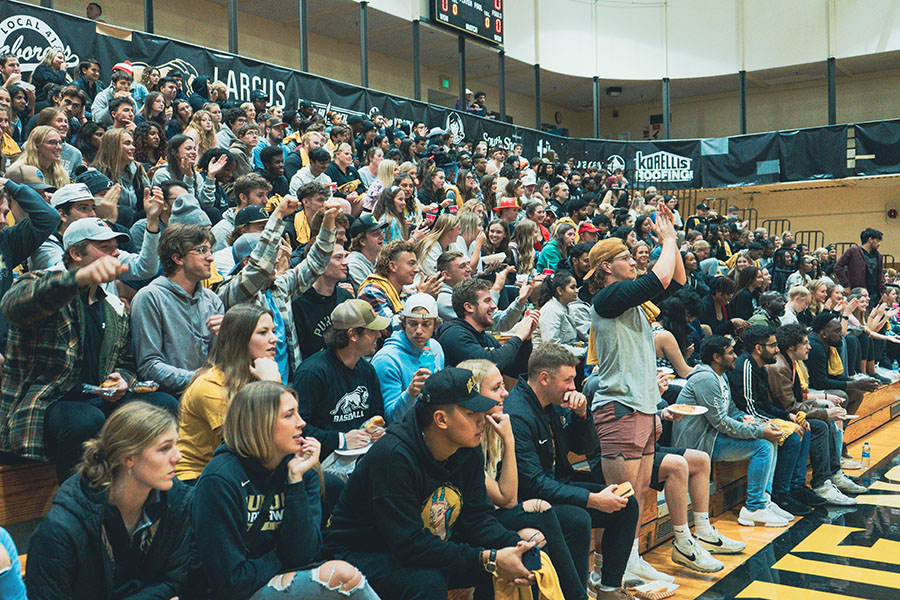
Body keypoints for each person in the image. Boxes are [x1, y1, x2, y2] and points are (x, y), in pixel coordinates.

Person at [326, 367, 540, 600]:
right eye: (471, 413)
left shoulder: (467, 449)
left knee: (523, 561)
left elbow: (478, 519)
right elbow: (410, 545)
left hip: (420, 545)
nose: (482, 419)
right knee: (428, 581)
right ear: (440, 419)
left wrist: (518, 547)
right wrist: (488, 558)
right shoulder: (393, 456)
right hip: (362, 552)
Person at [1, 217, 178, 482]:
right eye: (104, 247)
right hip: (45, 404)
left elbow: (126, 362)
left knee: (163, 404)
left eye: (115, 247)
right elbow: (15, 304)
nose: (115, 253)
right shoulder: (48, 286)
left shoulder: (112, 307)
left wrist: (122, 381)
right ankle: (80, 509)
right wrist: (78, 278)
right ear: (75, 254)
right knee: (86, 420)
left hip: (96, 400)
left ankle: (145, 495)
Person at [192, 381, 380, 600]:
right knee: (340, 576)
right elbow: (230, 582)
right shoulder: (220, 479)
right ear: (260, 423)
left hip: (278, 575)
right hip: (235, 593)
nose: (301, 423)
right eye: (289, 415)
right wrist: (284, 557)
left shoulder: (301, 470)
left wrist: (294, 481)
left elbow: (303, 553)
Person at [582, 201, 684, 583]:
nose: (634, 261)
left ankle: (629, 559)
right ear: (607, 266)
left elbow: (677, 281)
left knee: (638, 496)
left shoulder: (633, 302)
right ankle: (601, 569)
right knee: (619, 498)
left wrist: (672, 244)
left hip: (643, 407)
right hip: (619, 407)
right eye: (627, 257)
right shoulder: (607, 299)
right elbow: (658, 279)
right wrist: (667, 240)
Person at [502, 343, 639, 599]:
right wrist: (592, 500)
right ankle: (575, 594)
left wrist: (581, 414)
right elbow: (533, 483)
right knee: (578, 519)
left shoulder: (555, 402)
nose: (573, 387)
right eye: (568, 379)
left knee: (626, 504)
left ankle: (608, 588)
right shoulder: (517, 413)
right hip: (529, 499)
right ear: (544, 378)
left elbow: (585, 447)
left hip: (559, 482)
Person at [25, 402, 191, 598]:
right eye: (165, 448)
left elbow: (174, 580)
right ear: (128, 457)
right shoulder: (61, 529)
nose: (178, 457)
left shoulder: (177, 501)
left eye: (176, 445)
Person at [672, 336, 789, 527]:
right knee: (763, 445)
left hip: (714, 437)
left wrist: (760, 424)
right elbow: (721, 423)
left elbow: (732, 411)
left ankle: (764, 500)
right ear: (717, 357)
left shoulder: (721, 375)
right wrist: (759, 432)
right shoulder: (705, 379)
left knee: (771, 438)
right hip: (699, 444)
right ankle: (753, 508)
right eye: (731, 353)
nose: (736, 356)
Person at [218, 197, 337, 382]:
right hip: (251, 386)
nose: (276, 260)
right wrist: (278, 215)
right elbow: (260, 266)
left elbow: (316, 264)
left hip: (287, 382)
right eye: (271, 254)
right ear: (247, 262)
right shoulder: (234, 292)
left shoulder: (280, 286)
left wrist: (328, 223)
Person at [176, 303, 282, 483]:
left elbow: (281, 429)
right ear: (240, 340)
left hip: (241, 469)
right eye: (263, 332)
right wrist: (270, 385)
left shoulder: (266, 372)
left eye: (273, 331)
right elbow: (244, 444)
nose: (275, 339)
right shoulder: (209, 385)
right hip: (199, 478)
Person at [767, 323, 867, 504]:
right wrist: (825, 413)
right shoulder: (780, 367)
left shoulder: (791, 362)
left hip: (788, 412)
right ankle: (821, 484)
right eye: (805, 343)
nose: (810, 346)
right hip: (779, 416)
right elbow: (789, 407)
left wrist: (821, 403)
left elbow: (797, 398)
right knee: (821, 424)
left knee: (825, 421)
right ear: (791, 346)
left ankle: (832, 475)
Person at [727, 325, 822, 516]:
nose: (777, 350)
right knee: (791, 437)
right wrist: (782, 424)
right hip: (743, 418)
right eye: (773, 346)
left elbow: (764, 404)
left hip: (755, 414)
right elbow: (750, 408)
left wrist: (788, 416)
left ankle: (796, 486)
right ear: (758, 348)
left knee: (803, 427)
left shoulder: (760, 367)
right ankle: (780, 495)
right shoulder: (745, 366)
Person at [131, 224, 225, 394]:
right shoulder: (150, 297)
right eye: (202, 250)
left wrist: (227, 338)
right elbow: (149, 366)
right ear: (178, 258)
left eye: (210, 251)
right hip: (170, 395)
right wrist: (201, 380)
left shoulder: (212, 300)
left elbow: (220, 363)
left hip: (208, 391)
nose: (210, 258)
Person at [291, 299, 387, 459]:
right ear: (353, 334)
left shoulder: (367, 369)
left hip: (361, 457)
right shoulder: (312, 373)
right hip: (321, 461)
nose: (378, 334)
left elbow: (376, 413)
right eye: (372, 331)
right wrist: (340, 440)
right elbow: (297, 427)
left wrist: (376, 431)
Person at [0, 176, 61, 354]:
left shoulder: (7, 241)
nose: (3, 220)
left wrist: (10, 185)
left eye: (5, 213)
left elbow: (49, 218)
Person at [437, 277, 538, 380]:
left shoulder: (487, 338)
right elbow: (488, 364)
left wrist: (526, 339)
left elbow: (516, 370)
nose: (494, 306)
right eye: (487, 301)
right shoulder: (454, 335)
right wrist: (518, 336)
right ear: (469, 307)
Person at [372, 294, 445, 423]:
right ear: (404, 323)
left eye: (426, 324)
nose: (419, 330)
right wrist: (410, 394)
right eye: (413, 324)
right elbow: (390, 419)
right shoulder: (386, 360)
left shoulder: (435, 347)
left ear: (435, 325)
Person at [537, 270, 588, 357]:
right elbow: (552, 347)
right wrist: (583, 351)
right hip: (548, 361)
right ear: (560, 291)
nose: (577, 291)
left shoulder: (567, 308)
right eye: (572, 287)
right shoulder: (551, 311)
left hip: (565, 357)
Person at [834, 228, 884, 307]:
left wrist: (883, 292)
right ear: (870, 239)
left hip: (875, 294)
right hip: (858, 293)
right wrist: (846, 285)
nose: (879, 244)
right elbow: (838, 267)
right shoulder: (853, 251)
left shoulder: (878, 256)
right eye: (877, 241)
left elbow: (880, 275)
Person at [347, 215, 387, 291]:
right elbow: (372, 293)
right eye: (376, 234)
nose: (382, 237)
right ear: (362, 241)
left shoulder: (376, 260)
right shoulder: (354, 265)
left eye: (381, 233)